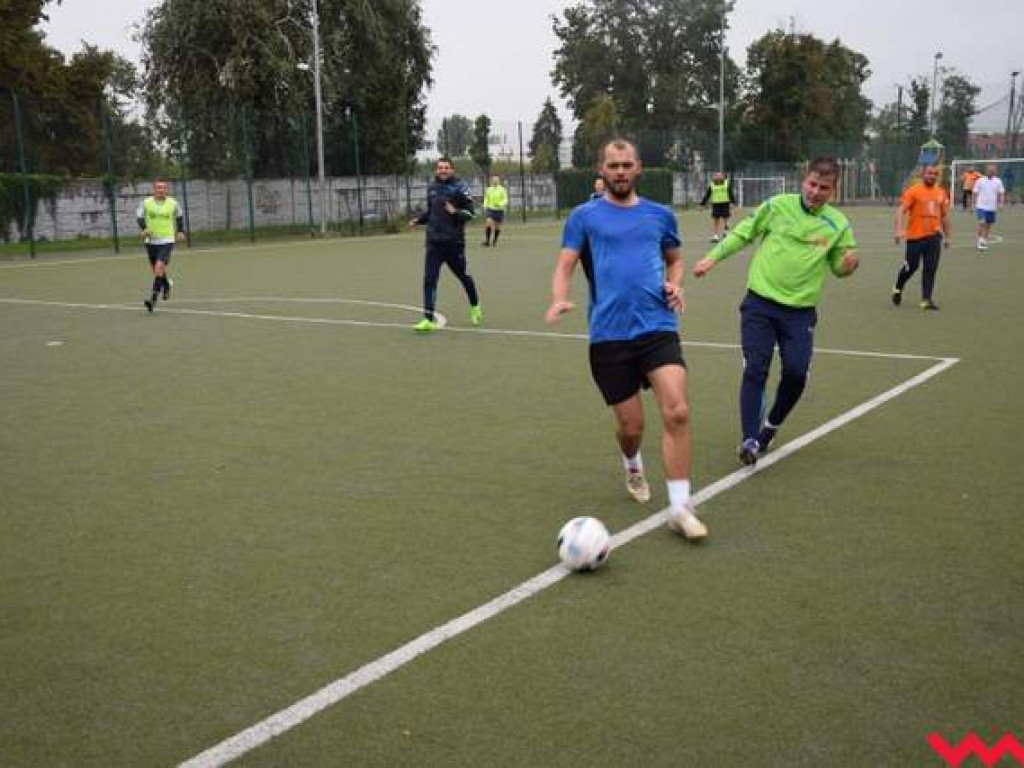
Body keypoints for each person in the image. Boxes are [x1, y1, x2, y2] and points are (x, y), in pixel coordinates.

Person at [544, 138, 707, 541]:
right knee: (632, 426)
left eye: (626, 165)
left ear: (638, 169)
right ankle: (632, 461)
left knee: (678, 411)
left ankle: (681, 507)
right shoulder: (584, 216)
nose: (620, 171)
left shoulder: (660, 215)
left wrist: (675, 285)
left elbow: (676, 260)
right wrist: (560, 297)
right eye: (612, 165)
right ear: (601, 169)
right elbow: (565, 264)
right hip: (609, 335)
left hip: (658, 326)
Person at [692, 157, 859, 466]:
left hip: (799, 313)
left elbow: (839, 266)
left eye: (823, 188)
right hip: (760, 304)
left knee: (796, 374)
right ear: (803, 181)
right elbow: (743, 233)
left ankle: (769, 429)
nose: (814, 192)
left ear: (833, 190)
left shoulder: (838, 225)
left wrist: (848, 265)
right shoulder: (776, 206)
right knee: (755, 368)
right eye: (811, 184)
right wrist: (712, 258)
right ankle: (749, 439)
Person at [409, 157, 483, 331]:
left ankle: (475, 306)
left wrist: (455, 211)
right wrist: (418, 220)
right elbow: (431, 212)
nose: (443, 170)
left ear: (452, 170)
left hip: (454, 244)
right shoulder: (432, 188)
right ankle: (427, 319)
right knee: (429, 279)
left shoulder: (460, 188)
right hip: (434, 243)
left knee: (464, 277)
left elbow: (471, 214)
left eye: (446, 167)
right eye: (440, 167)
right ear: (436, 170)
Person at [891, 165, 951, 311]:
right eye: (929, 173)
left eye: (935, 174)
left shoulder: (941, 193)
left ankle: (926, 300)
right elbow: (900, 211)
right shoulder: (914, 191)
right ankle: (898, 287)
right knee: (911, 267)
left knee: (930, 268)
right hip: (915, 237)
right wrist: (899, 230)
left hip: (934, 237)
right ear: (923, 174)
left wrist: (948, 236)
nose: (932, 176)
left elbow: (944, 216)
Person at [136, 179, 185, 313]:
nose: (161, 190)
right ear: (154, 190)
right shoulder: (146, 203)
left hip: (167, 241)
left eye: (163, 188)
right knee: (157, 271)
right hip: (150, 241)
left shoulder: (173, 203)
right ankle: (166, 285)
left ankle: (152, 300)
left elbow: (179, 216)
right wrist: (144, 228)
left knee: (158, 268)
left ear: (166, 190)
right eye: (158, 188)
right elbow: (139, 216)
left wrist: (180, 231)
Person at [973, 164, 1005, 252]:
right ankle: (980, 240)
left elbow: (1001, 193)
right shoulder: (980, 180)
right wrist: (974, 204)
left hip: (992, 207)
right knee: (982, 222)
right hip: (981, 206)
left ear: (995, 171)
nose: (991, 171)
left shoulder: (998, 181)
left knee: (988, 225)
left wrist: (1001, 204)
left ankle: (984, 240)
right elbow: (975, 192)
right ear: (986, 171)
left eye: (992, 170)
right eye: (989, 170)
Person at [700, 171, 736, 243]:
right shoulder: (712, 185)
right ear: (714, 177)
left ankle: (725, 232)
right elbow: (708, 194)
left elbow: (730, 193)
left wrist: (733, 202)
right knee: (716, 220)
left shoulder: (726, 184)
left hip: (725, 203)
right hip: (716, 204)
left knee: (725, 219)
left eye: (719, 176)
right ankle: (715, 236)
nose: (718, 177)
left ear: (723, 177)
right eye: (716, 176)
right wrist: (702, 204)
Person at [482, 175, 509, 247]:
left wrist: (500, 204)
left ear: (499, 181)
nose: (495, 181)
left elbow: (505, 199)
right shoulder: (488, 189)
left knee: (497, 227)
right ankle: (487, 241)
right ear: (491, 181)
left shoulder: (502, 189)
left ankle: (495, 241)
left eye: (496, 180)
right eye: (494, 180)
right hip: (490, 209)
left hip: (499, 210)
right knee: (488, 223)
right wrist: (485, 206)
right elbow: (486, 199)